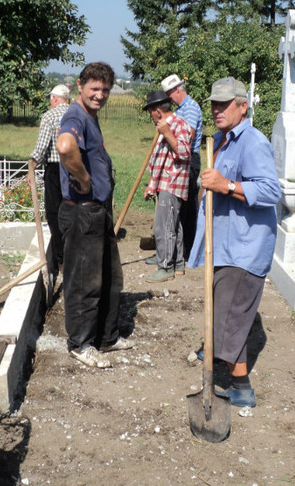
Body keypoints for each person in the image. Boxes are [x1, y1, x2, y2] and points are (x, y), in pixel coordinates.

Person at [188, 77, 281, 407]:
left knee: (227, 317)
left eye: (224, 104)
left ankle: (241, 387)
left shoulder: (252, 142)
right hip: (226, 244)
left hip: (245, 247)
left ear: (243, 106)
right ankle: (218, 357)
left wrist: (226, 185)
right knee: (224, 314)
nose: (216, 109)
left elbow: (272, 192)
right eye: (213, 103)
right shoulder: (223, 140)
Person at [55, 62, 133, 369]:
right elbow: (64, 146)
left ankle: (106, 337)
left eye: (105, 90)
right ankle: (81, 343)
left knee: (109, 277)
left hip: (97, 212)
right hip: (82, 212)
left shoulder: (89, 116)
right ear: (79, 86)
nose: (100, 95)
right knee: (85, 282)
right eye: (94, 88)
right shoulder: (75, 115)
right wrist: (85, 181)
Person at [142, 90, 192, 283]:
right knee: (174, 225)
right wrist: (152, 186)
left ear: (157, 111)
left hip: (172, 184)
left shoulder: (178, 125)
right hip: (164, 182)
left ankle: (165, 267)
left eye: (150, 111)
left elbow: (184, 153)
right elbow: (161, 160)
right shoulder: (166, 126)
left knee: (163, 228)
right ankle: (178, 264)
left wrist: (166, 133)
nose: (150, 116)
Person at [28, 84, 70, 278]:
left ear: (54, 99)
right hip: (77, 168)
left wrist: (31, 166)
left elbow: (43, 146)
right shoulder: (79, 115)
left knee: (54, 213)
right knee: (73, 211)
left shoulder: (50, 116)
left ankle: (61, 258)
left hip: (56, 169)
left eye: (50, 98)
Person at [161, 74, 203, 260]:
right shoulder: (180, 110)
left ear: (177, 90)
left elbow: (189, 136)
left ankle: (188, 250)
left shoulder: (191, 108)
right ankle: (179, 249)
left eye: (170, 93)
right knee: (178, 204)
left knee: (187, 206)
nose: (169, 97)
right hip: (179, 158)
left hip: (189, 159)